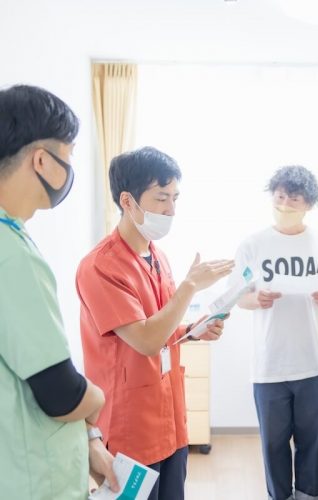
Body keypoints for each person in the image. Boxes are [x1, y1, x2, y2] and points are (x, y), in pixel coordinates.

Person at [76, 146, 234, 500]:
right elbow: (146, 340)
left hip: (169, 421)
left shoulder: (157, 256)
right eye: (162, 198)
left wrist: (192, 331)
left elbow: (160, 325)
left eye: (175, 198)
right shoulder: (101, 266)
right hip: (129, 428)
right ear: (128, 201)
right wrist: (190, 286)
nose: (171, 210)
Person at [0, 84, 118, 499]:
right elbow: (60, 392)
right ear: (40, 160)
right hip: (34, 479)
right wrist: (97, 398)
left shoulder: (14, 238)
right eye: (67, 156)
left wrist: (90, 439)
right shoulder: (10, 253)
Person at [232, 165, 318, 500]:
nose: (284, 204)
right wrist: (257, 299)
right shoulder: (253, 244)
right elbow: (239, 297)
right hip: (270, 364)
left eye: (293, 199)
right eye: (279, 196)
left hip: (315, 362)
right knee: (273, 444)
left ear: (308, 204)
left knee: (313, 443)